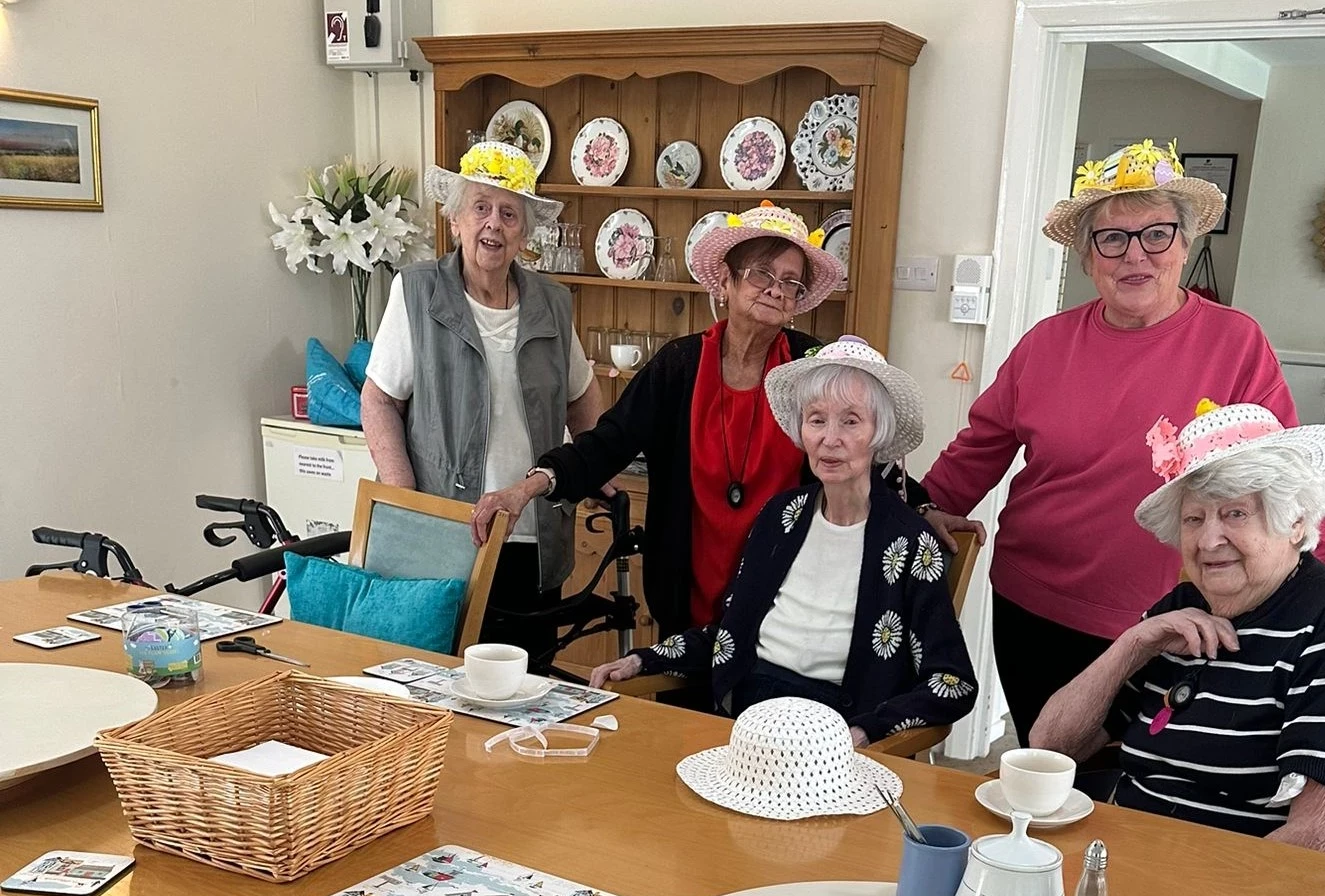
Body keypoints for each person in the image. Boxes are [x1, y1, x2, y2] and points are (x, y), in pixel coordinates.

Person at [916, 139, 1325, 740]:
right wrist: (924, 508)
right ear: (1087, 256)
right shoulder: (1044, 344)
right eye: (1113, 238)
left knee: (1146, 783)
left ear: (1184, 246)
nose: (1137, 255)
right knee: (1049, 769)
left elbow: (1283, 468)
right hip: (1035, 605)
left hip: (1177, 611)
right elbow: (979, 449)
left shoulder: (1234, 342)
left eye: (1157, 234)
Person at [478, 202, 873, 645]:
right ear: (726, 280)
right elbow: (610, 442)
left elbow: (858, 450)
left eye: (790, 282)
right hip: (686, 601)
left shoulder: (809, 366)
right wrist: (528, 486)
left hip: (788, 609)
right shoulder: (680, 366)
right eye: (762, 273)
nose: (776, 290)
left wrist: (925, 508)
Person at [1031, 401, 1325, 862]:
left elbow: (1318, 838)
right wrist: (1132, 645)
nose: (1208, 541)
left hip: (1258, 888)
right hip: (1140, 857)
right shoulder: (1182, 607)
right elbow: (1050, 746)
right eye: (1194, 519)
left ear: (1296, 522)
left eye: (1235, 514)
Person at [589, 338, 977, 745]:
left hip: (836, 731)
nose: (830, 438)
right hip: (747, 718)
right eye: (816, 419)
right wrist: (643, 659)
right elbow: (728, 634)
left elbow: (952, 681)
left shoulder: (911, 543)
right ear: (800, 430)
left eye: (850, 421)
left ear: (878, 433)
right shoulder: (781, 517)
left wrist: (867, 729)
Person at [360, 142, 602, 662]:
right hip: (444, 532)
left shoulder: (552, 303)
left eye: (509, 213)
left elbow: (582, 399)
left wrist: (592, 465)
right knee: (440, 678)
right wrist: (405, 495)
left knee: (526, 681)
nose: (494, 224)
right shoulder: (418, 292)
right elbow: (378, 400)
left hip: (531, 530)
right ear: (456, 220)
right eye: (481, 207)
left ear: (525, 232)